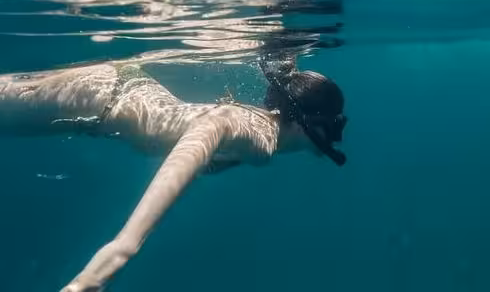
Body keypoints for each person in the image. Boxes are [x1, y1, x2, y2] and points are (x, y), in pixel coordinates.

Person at [0, 54, 348, 292]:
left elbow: (217, 130)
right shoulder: (263, 140)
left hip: (109, 92)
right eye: (335, 125)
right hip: (99, 96)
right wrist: (121, 251)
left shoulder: (260, 134)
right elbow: (219, 121)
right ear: (311, 124)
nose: (336, 137)